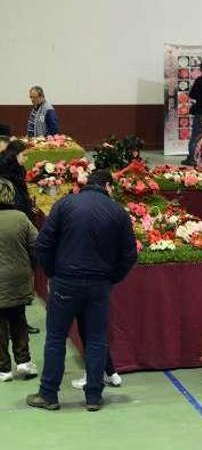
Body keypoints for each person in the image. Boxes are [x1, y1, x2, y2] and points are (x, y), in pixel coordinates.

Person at [27, 169, 138, 412]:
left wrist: (53, 273)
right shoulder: (117, 212)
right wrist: (111, 278)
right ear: (107, 186)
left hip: (65, 281)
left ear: (87, 184)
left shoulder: (65, 205)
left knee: (56, 338)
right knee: (97, 340)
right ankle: (94, 397)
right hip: (99, 285)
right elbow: (130, 255)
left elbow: (43, 244)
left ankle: (48, 394)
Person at [0, 178, 39, 382]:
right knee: (18, 319)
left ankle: (3, 368)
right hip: (18, 278)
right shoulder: (21, 218)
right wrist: (31, 266)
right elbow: (36, 245)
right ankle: (24, 361)